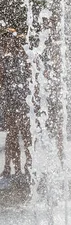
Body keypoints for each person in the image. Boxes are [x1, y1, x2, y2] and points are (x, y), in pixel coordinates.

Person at [0, 29, 32, 179]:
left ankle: (28, 166)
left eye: (13, 39)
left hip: (22, 99)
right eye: (6, 39)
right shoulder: (4, 59)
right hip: (10, 100)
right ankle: (14, 167)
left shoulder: (23, 56)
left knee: (25, 133)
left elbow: (31, 76)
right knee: (12, 134)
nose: (10, 42)